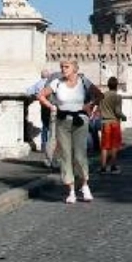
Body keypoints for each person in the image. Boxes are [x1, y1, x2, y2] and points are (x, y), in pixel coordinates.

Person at [37, 60, 103, 204]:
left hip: (80, 120)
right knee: (65, 156)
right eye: (62, 67)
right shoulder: (57, 83)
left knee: (80, 155)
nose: (63, 69)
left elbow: (99, 96)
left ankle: (84, 186)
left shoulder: (84, 81)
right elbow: (40, 95)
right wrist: (52, 106)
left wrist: (90, 106)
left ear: (75, 68)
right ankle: (71, 191)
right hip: (62, 121)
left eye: (67, 67)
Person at [26, 68, 55, 166]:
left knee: (45, 127)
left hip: (43, 107)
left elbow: (29, 91)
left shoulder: (38, 84)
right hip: (52, 107)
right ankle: (51, 149)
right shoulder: (52, 84)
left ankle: (43, 145)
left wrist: (35, 95)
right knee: (53, 129)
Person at [98, 76, 127, 174]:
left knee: (104, 146)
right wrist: (124, 117)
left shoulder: (102, 96)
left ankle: (103, 167)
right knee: (114, 145)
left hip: (104, 122)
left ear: (108, 85)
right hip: (114, 123)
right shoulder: (117, 97)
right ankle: (113, 166)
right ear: (116, 86)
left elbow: (99, 109)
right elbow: (117, 111)